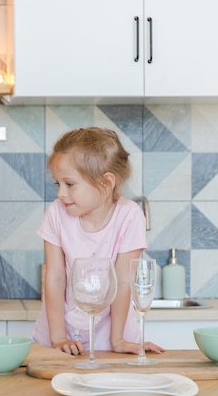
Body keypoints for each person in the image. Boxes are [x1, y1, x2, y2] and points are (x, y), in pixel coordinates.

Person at [33, 127, 164, 356]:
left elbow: (123, 282)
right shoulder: (56, 213)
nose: (60, 193)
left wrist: (118, 340)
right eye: (57, 184)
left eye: (70, 184)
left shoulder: (129, 216)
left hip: (109, 339)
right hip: (57, 337)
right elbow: (54, 278)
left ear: (106, 183)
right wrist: (58, 338)